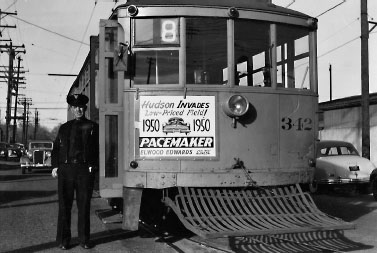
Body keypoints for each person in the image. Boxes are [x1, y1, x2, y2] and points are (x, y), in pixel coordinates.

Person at [51, 94, 99, 250]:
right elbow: (56, 148)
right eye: (75, 107)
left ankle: (84, 240)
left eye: (81, 107)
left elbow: (98, 148)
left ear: (84, 108)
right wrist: (55, 166)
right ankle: (64, 241)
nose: (78, 110)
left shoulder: (93, 126)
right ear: (71, 109)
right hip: (66, 170)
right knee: (64, 206)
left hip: (84, 170)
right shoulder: (64, 127)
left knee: (84, 206)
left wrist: (93, 164)